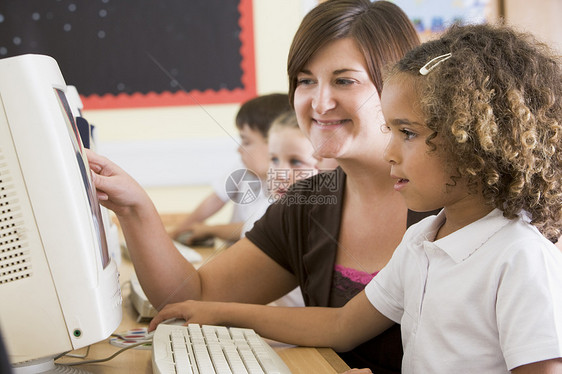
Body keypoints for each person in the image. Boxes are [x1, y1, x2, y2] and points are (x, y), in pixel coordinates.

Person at [150, 23, 562, 373]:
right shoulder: (422, 241)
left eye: (408, 133)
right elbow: (341, 326)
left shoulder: (520, 257)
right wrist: (220, 313)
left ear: (472, 142)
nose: (389, 152)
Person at [87, 0, 434, 371]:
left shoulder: (450, 201)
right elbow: (194, 296)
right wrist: (135, 209)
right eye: (305, 81)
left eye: (344, 80)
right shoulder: (310, 202)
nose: (318, 102)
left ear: (397, 87)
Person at [169, 93, 291, 245]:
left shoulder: (285, 186)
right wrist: (178, 231)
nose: (239, 149)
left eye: (246, 142)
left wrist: (210, 229)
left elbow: (252, 228)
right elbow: (216, 199)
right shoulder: (245, 168)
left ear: (275, 144)